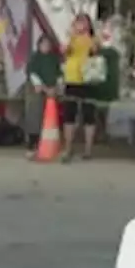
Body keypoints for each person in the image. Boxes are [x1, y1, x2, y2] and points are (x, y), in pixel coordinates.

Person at [60, 13, 102, 162]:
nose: (81, 26)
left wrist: (90, 39)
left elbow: (95, 51)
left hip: (88, 77)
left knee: (88, 114)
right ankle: (68, 148)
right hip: (72, 77)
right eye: (78, 22)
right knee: (69, 114)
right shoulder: (70, 38)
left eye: (84, 23)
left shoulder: (92, 39)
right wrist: (71, 36)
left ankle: (88, 149)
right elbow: (64, 51)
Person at [25, 35, 60, 158]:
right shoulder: (35, 58)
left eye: (48, 44)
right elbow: (32, 73)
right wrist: (43, 88)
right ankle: (31, 143)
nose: (46, 46)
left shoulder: (54, 58)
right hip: (37, 90)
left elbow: (59, 73)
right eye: (44, 44)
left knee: (49, 118)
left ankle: (47, 144)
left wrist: (55, 87)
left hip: (52, 91)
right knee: (34, 115)